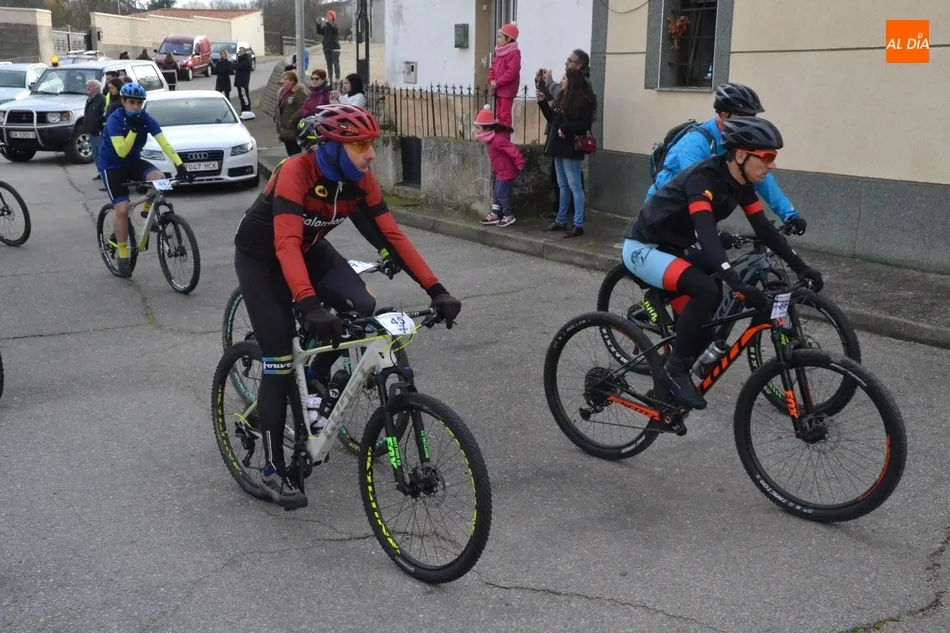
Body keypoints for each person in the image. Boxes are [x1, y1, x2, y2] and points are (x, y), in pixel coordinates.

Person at [232, 104, 462, 508]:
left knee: (362, 305)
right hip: (261, 257)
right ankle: (272, 469)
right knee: (279, 357)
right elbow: (285, 244)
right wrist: (309, 304)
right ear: (331, 147)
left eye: (371, 144)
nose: (371, 154)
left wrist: (436, 289)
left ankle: (315, 382)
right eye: (359, 146)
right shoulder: (296, 171)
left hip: (309, 250)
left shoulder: (360, 182)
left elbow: (392, 236)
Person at [620, 117, 823, 411]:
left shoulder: (742, 184)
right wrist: (734, 281)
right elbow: (705, 234)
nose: (772, 165)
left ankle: (662, 392)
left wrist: (800, 266)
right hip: (643, 247)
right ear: (740, 155)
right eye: (767, 157)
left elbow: (765, 230)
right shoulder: (702, 178)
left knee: (707, 329)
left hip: (675, 249)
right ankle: (675, 370)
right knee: (707, 289)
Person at [649, 83, 807, 234]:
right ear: (724, 115)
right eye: (745, 116)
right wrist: (712, 231)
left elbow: (762, 176)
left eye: (753, 116)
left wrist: (789, 214)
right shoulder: (695, 142)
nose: (751, 122)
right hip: (664, 212)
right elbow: (695, 186)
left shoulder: (738, 140)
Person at [98, 83, 191, 278]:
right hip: (112, 165)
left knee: (159, 179)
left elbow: (164, 143)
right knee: (122, 209)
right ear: (123, 102)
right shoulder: (115, 120)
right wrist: (133, 130)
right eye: (132, 102)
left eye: (139, 103)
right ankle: (123, 254)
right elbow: (121, 151)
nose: (136, 107)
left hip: (133, 162)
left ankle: (143, 218)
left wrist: (180, 165)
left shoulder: (146, 119)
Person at [538, 69, 597, 238]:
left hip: (571, 147)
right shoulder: (562, 97)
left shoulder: (582, 101)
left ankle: (578, 224)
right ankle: (561, 219)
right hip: (558, 145)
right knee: (563, 185)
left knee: (574, 186)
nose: (561, 81)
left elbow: (584, 124)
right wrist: (543, 103)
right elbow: (553, 119)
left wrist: (565, 128)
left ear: (572, 81)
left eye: (564, 78)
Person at [473, 105, 524, 227]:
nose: (476, 130)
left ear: (487, 128)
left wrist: (520, 162)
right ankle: (495, 214)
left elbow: (513, 150)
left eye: (478, 128)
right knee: (497, 192)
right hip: (500, 172)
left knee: (501, 194)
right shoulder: (489, 140)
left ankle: (508, 215)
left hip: (507, 171)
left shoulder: (498, 140)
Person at [487, 22, 521, 128]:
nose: (497, 39)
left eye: (500, 37)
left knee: (505, 115)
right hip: (498, 88)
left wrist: (498, 82)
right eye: (498, 37)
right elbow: (492, 67)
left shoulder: (514, 53)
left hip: (506, 90)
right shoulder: (499, 53)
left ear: (509, 39)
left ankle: (505, 136)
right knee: (499, 115)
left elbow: (511, 72)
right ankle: (500, 135)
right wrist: (491, 80)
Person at [275, 71, 306, 156]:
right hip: (284, 127)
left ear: (292, 81)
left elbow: (303, 107)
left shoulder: (299, 92)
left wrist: (292, 119)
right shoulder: (282, 92)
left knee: (295, 151)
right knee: (289, 149)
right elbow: (278, 107)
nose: (282, 81)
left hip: (293, 127)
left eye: (285, 79)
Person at [84, 79, 106, 180]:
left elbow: (103, 115)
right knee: (95, 155)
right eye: (88, 86)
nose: (88, 88)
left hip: (98, 132)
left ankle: (105, 174)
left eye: (90, 86)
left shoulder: (101, 99)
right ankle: (100, 172)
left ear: (97, 88)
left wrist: (98, 127)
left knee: (100, 154)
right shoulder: (89, 99)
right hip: (91, 132)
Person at [317, 10, 341, 85]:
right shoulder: (326, 27)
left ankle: (337, 79)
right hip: (326, 48)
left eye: (330, 15)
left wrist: (327, 23)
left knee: (336, 63)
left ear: (333, 17)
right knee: (329, 64)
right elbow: (319, 32)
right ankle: (330, 79)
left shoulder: (335, 25)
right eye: (327, 15)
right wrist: (318, 24)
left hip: (335, 48)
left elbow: (334, 29)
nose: (328, 17)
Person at [233, 46, 253, 113]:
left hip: (243, 82)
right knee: (241, 96)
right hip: (239, 81)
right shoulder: (240, 59)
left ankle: (247, 110)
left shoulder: (247, 60)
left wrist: (234, 63)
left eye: (241, 51)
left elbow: (238, 66)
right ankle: (243, 109)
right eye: (239, 51)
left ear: (244, 52)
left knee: (244, 96)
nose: (239, 52)